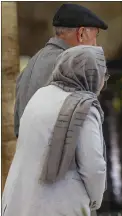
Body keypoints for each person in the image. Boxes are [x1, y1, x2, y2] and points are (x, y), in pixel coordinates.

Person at [2, 46, 109, 216]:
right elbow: (93, 165)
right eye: (103, 74)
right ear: (92, 74)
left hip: (20, 202)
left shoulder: (40, 96)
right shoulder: (85, 106)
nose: (103, 81)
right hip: (61, 205)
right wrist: (95, 199)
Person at [14, 3, 108, 137]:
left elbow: (18, 128)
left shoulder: (31, 64)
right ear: (81, 34)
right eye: (95, 37)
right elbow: (79, 128)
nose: (95, 45)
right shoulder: (70, 66)